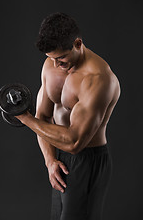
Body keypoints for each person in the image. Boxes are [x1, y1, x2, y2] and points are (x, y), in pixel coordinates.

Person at [16, 12, 121, 220]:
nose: (56, 65)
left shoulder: (97, 78)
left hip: (87, 160)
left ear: (78, 43)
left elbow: (74, 142)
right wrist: (50, 161)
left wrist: (24, 118)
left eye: (61, 58)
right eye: (51, 58)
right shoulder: (51, 65)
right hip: (60, 157)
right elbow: (44, 115)